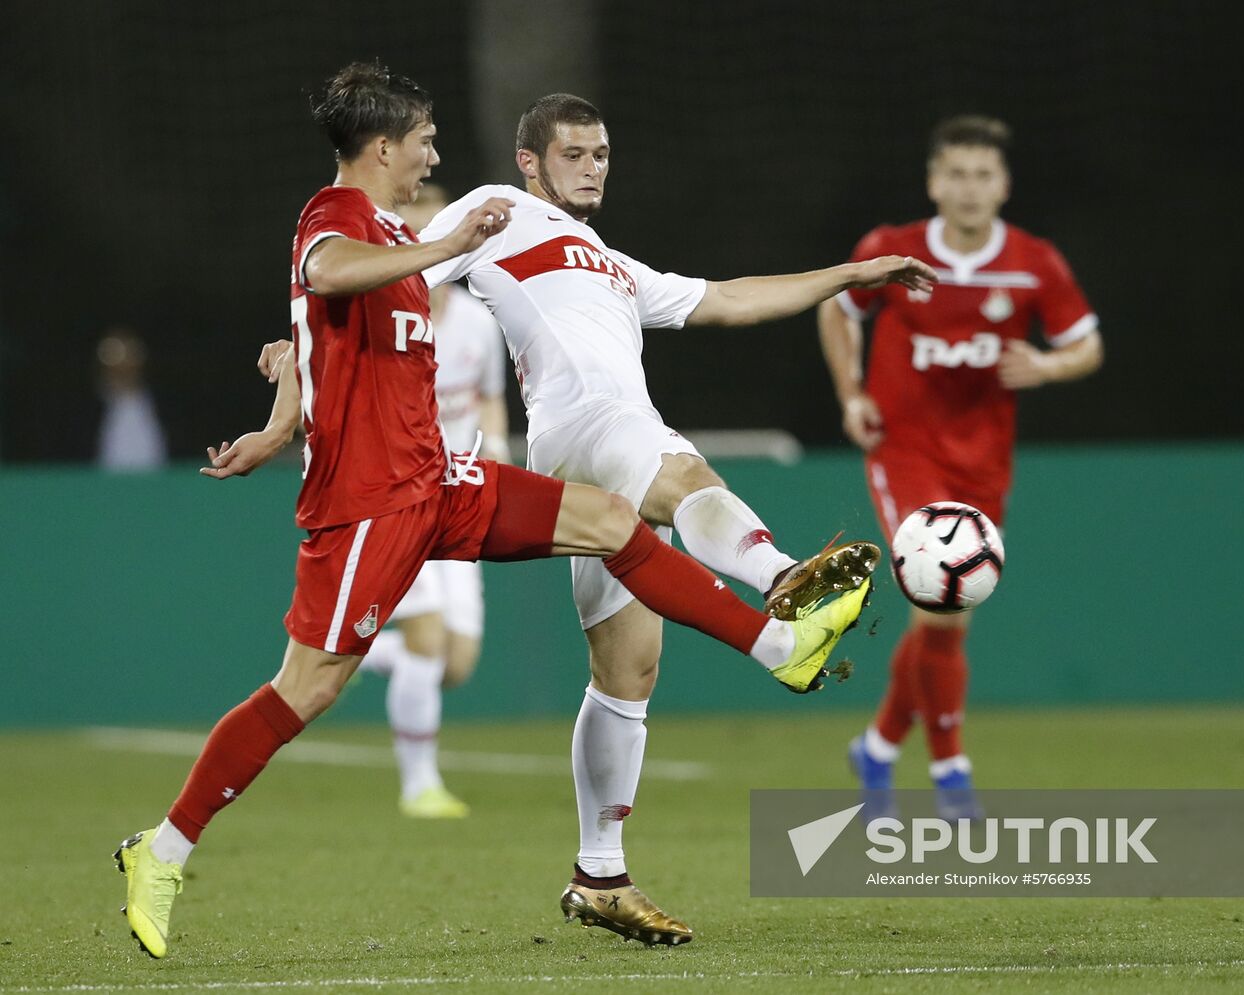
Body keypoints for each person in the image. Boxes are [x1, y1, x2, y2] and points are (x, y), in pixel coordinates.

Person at [113, 62, 873, 960]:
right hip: (369, 502)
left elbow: (317, 336)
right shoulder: (342, 216)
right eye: (424, 139)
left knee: (612, 522)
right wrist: (427, 261)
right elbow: (326, 275)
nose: (435, 154)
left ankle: (778, 645)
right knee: (308, 686)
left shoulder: (408, 240)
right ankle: (163, 849)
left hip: (439, 479)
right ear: (383, 147)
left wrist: (282, 412)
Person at [409, 93, 939, 945]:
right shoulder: (495, 209)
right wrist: (310, 357)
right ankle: (782, 579)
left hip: (589, 458)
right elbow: (408, 273)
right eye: (574, 153)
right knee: (683, 468)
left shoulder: (615, 265)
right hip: (589, 426)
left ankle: (599, 874)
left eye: (602, 154)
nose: (593, 168)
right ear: (530, 162)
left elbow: (729, 298)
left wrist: (848, 275)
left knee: (627, 670)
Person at [818, 115, 1104, 819]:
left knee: (946, 618)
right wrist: (852, 394)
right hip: (904, 449)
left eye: (983, 175)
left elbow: (1087, 345)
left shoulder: (1033, 263)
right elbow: (839, 309)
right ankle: (950, 768)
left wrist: (1048, 365)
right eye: (957, 174)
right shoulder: (892, 251)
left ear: (1004, 185)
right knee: (941, 606)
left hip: (983, 460)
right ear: (933, 182)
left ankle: (878, 748)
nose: (970, 188)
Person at [354, 182, 512, 819]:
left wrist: (496, 447)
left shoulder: (479, 321)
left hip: (462, 495)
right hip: (400, 493)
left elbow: (489, 396)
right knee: (426, 638)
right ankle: (419, 786)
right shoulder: (380, 318)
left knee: (456, 661)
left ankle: (351, 649)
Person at [95, 328, 167, 470]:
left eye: (129, 356)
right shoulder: (84, 413)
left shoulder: (163, 405)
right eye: (112, 356)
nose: (123, 367)